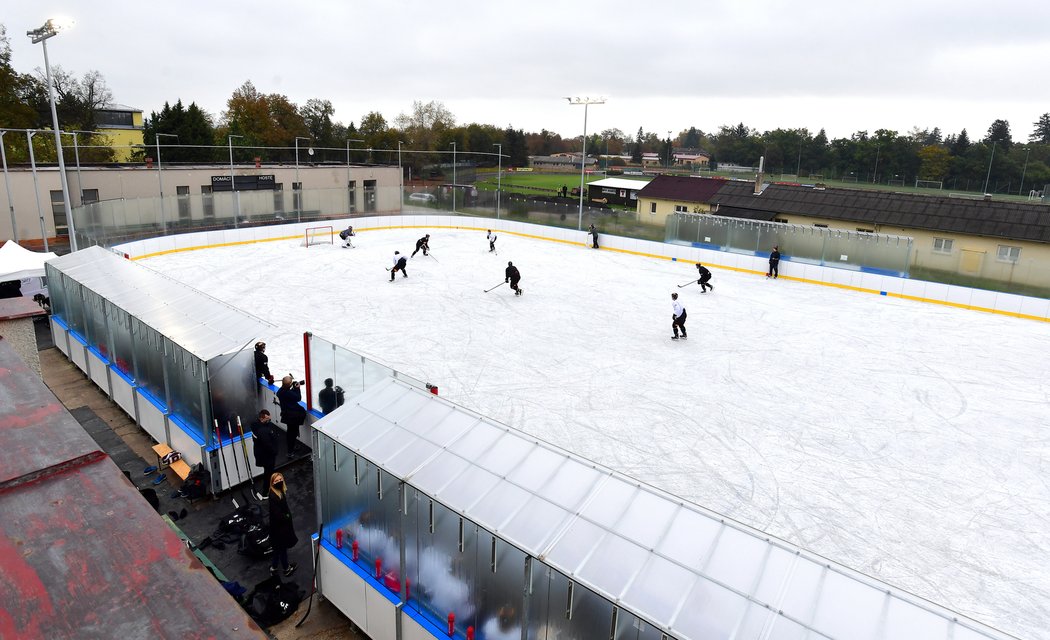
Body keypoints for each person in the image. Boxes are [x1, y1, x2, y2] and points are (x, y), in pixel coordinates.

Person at [267, 472, 298, 577]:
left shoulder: (277, 492)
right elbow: (278, 514)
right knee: (282, 549)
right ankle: (286, 568)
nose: (279, 482)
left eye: (280, 480)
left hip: (277, 528)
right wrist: (287, 517)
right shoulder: (274, 496)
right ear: (272, 483)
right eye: (276, 481)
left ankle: (274, 567)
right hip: (280, 529)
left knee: (277, 549)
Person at [250, 409, 280, 497]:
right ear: (262, 419)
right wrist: (275, 451)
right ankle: (265, 492)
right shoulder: (263, 431)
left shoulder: (255, 427)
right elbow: (268, 445)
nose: (269, 421)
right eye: (268, 420)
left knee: (268, 472)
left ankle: (267, 489)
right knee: (268, 473)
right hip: (267, 456)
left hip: (261, 454)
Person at [276, 376, 307, 455]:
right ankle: (290, 451)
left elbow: (288, 394)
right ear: (289, 384)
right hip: (293, 416)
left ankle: (292, 447)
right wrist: (297, 388)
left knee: (291, 432)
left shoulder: (280, 391)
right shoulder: (288, 393)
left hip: (286, 415)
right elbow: (298, 398)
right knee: (292, 434)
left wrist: (292, 388)